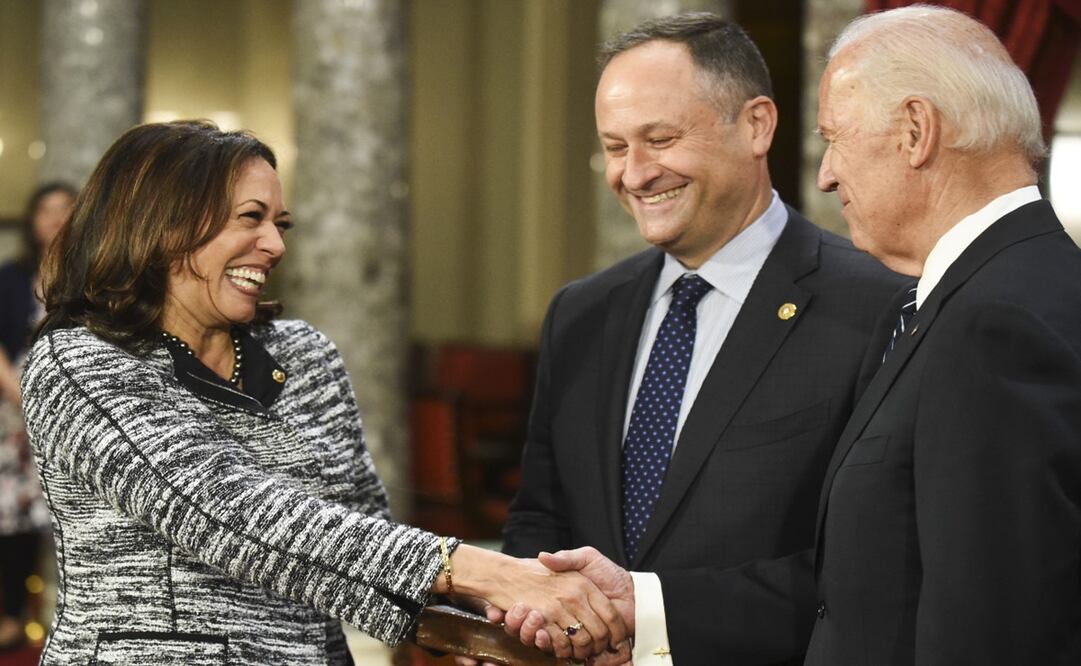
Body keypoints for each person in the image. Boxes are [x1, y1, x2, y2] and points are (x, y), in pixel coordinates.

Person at [21, 120, 627, 665]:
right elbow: (228, 512)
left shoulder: (303, 353)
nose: (277, 245)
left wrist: (480, 630)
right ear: (164, 224)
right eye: (251, 218)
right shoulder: (76, 361)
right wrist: (491, 572)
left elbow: (358, 541)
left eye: (279, 224)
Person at [488, 13, 905, 666]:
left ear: (757, 126)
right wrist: (531, 611)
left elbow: (876, 563)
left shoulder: (877, 304)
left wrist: (647, 612)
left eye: (659, 138)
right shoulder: (580, 314)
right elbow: (538, 517)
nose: (635, 173)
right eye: (616, 146)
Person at [803, 6, 1081, 664]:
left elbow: (991, 634)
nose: (825, 173)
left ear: (915, 130)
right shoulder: (977, 297)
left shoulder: (995, 325)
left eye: (833, 138)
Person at [0, 181, 76, 650]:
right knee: (12, 514)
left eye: (65, 209)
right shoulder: (10, 275)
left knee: (61, 509)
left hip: (71, 407)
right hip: (11, 409)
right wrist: (20, 398)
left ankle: (58, 609)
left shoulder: (93, 275)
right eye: (45, 209)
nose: (54, 218)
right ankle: (9, 613)